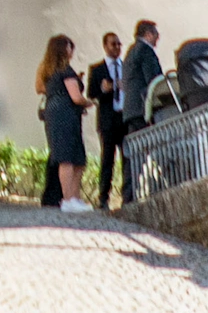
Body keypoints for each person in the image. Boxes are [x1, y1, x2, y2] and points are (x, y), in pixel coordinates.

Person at [33, 32, 89, 209]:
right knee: (71, 157)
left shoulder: (47, 70)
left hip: (53, 112)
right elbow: (76, 97)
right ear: (66, 50)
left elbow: (39, 88)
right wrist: (90, 102)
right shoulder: (66, 70)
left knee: (66, 156)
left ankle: (71, 199)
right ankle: (70, 199)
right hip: (67, 115)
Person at [88, 32, 129, 207]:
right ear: (105, 46)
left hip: (125, 118)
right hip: (108, 119)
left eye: (119, 44)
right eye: (113, 44)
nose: (117, 47)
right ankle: (104, 197)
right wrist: (103, 89)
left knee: (128, 157)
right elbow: (91, 94)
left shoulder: (126, 67)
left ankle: (128, 194)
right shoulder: (97, 69)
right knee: (107, 160)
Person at [121, 18, 166, 125]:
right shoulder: (146, 51)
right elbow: (154, 81)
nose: (158, 37)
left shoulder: (131, 51)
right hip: (143, 109)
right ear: (148, 34)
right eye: (156, 34)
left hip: (131, 110)